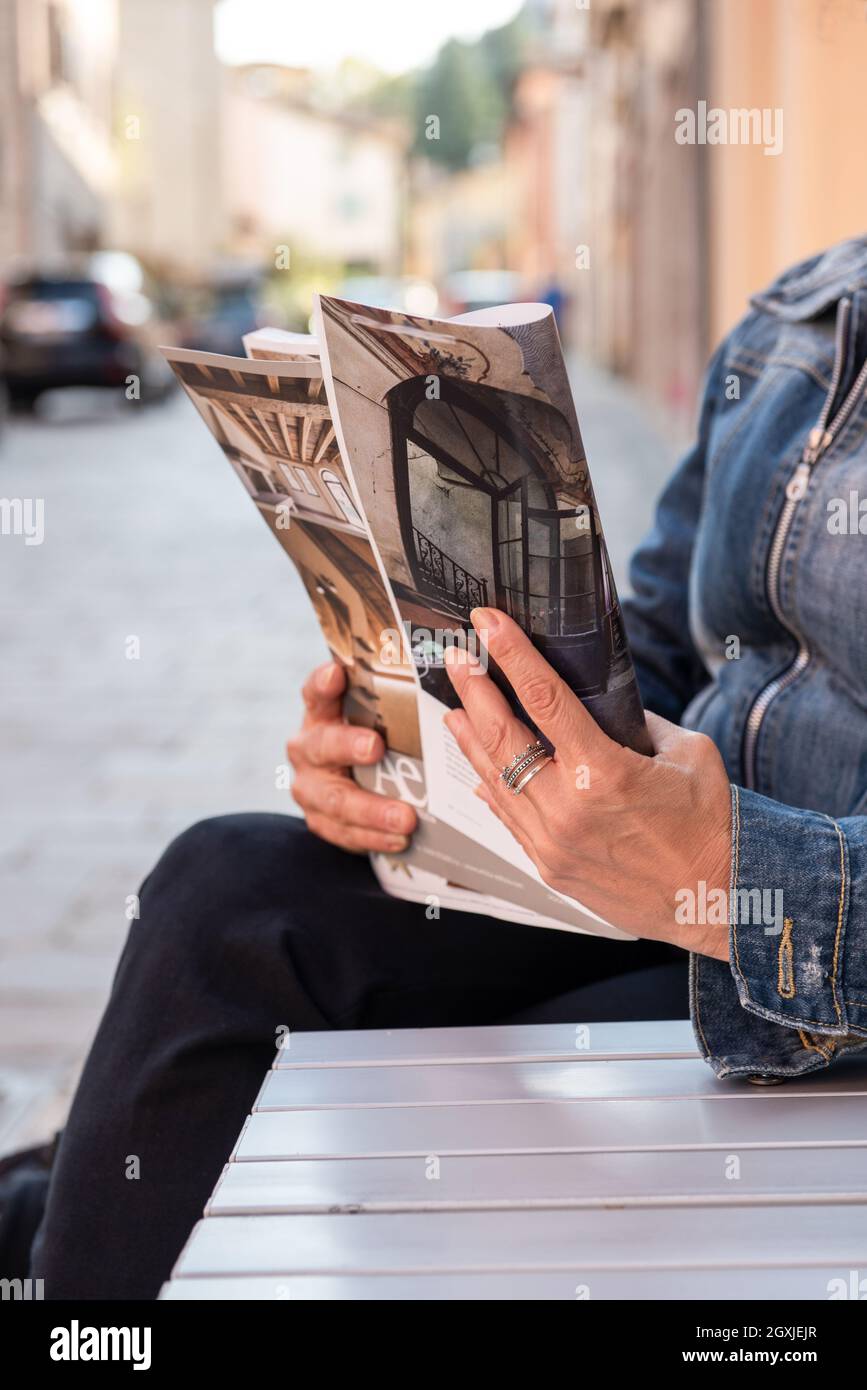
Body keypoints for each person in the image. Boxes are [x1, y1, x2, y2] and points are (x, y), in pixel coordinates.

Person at [24, 236, 867, 1299]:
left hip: (798, 965)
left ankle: (49, 1219)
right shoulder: (803, 315)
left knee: (371, 1081)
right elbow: (654, 635)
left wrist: (735, 871)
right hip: (636, 872)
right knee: (221, 890)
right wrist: (409, 737)